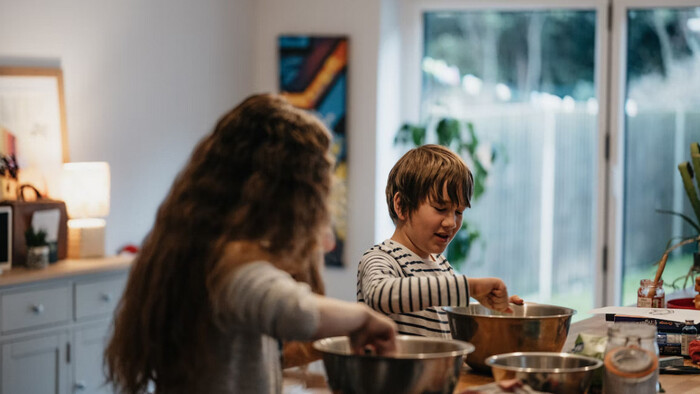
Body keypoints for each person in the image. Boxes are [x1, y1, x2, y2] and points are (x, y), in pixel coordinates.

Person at [105, 94, 397, 394]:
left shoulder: (196, 246)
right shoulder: (228, 264)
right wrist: (363, 318)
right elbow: (295, 310)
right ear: (284, 195)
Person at [357, 144, 522, 338]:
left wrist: (492, 307)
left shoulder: (442, 265)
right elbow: (380, 295)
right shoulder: (381, 258)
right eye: (440, 208)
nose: (451, 222)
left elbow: (443, 306)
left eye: (459, 212)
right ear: (401, 205)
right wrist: (470, 287)